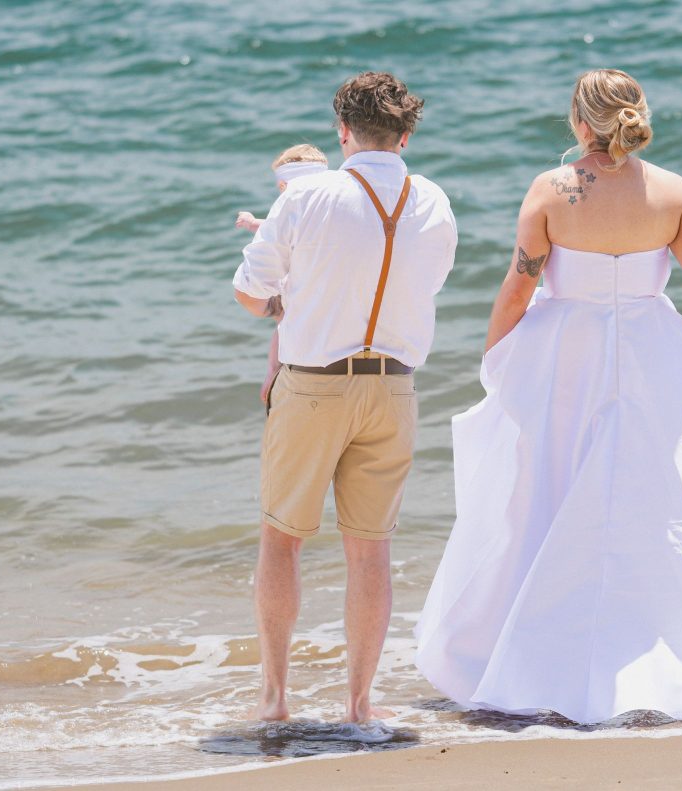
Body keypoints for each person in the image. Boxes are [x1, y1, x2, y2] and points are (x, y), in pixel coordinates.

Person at [415, 69, 682, 724]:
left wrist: (495, 361)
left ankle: (530, 665)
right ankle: (669, 665)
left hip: (563, 364)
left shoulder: (552, 190)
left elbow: (518, 289)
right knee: (651, 514)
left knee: (544, 504)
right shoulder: (673, 191)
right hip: (650, 357)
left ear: (580, 123)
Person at [232, 71, 457, 723]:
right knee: (370, 548)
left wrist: (287, 302)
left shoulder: (308, 195)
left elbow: (249, 292)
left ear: (343, 132)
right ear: (405, 136)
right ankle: (360, 704)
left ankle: (275, 699)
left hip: (314, 385)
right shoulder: (434, 201)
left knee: (282, 539)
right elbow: (427, 283)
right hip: (393, 388)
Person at [234, 144, 330, 405]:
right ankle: (273, 370)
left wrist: (252, 223)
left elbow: (272, 233)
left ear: (284, 186)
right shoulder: (332, 211)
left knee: (283, 321)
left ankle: (273, 371)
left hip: (296, 292)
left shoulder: (289, 211)